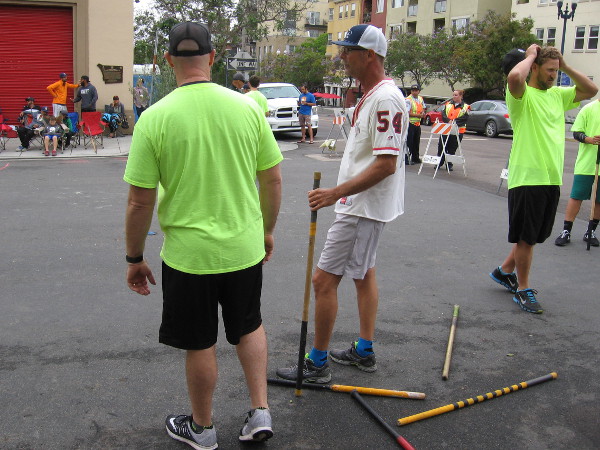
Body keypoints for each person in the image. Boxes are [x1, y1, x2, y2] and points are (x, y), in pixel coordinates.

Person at [123, 22, 282, 449]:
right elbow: (272, 180)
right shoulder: (248, 108)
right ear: (213, 58)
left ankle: (202, 427)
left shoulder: (154, 118)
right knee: (249, 325)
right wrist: (266, 231)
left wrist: (134, 258)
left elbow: (140, 203)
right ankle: (260, 411)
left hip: (189, 256)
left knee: (200, 340)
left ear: (168, 60)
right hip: (244, 247)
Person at [276, 24, 408, 383]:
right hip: (362, 205)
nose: (342, 57)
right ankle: (364, 350)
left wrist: (335, 194)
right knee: (364, 275)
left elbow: (386, 163)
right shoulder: (372, 94)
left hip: (360, 207)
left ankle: (316, 363)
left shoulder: (385, 98)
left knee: (322, 281)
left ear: (370, 55)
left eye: (348, 50)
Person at [489, 44, 597, 314]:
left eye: (556, 71)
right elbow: (515, 77)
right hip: (527, 177)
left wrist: (565, 64)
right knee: (526, 237)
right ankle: (523, 289)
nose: (554, 76)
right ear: (534, 68)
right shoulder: (521, 95)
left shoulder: (558, 95)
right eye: (549, 71)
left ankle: (504, 271)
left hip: (550, 177)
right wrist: (530, 56)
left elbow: (591, 90)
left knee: (534, 234)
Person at [554, 99, 600, 247]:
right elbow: (576, 133)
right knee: (576, 196)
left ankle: (590, 231)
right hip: (586, 164)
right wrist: (590, 139)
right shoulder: (589, 109)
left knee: (599, 201)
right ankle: (566, 231)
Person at [437, 90, 469, 171]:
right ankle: (439, 162)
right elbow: (443, 114)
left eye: (456, 95)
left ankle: (449, 164)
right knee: (442, 146)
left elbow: (465, 117)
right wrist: (448, 120)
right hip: (446, 129)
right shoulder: (448, 104)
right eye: (453, 95)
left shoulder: (466, 107)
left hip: (458, 130)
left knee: (452, 148)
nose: (454, 96)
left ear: (461, 96)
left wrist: (454, 121)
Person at [406, 84, 425, 165]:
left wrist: (423, 112)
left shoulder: (420, 99)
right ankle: (406, 158)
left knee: (416, 142)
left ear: (419, 91)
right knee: (409, 142)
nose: (414, 92)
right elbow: (407, 113)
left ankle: (415, 157)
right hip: (410, 123)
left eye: (416, 90)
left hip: (417, 123)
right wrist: (418, 115)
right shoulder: (408, 100)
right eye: (413, 90)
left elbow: (423, 107)